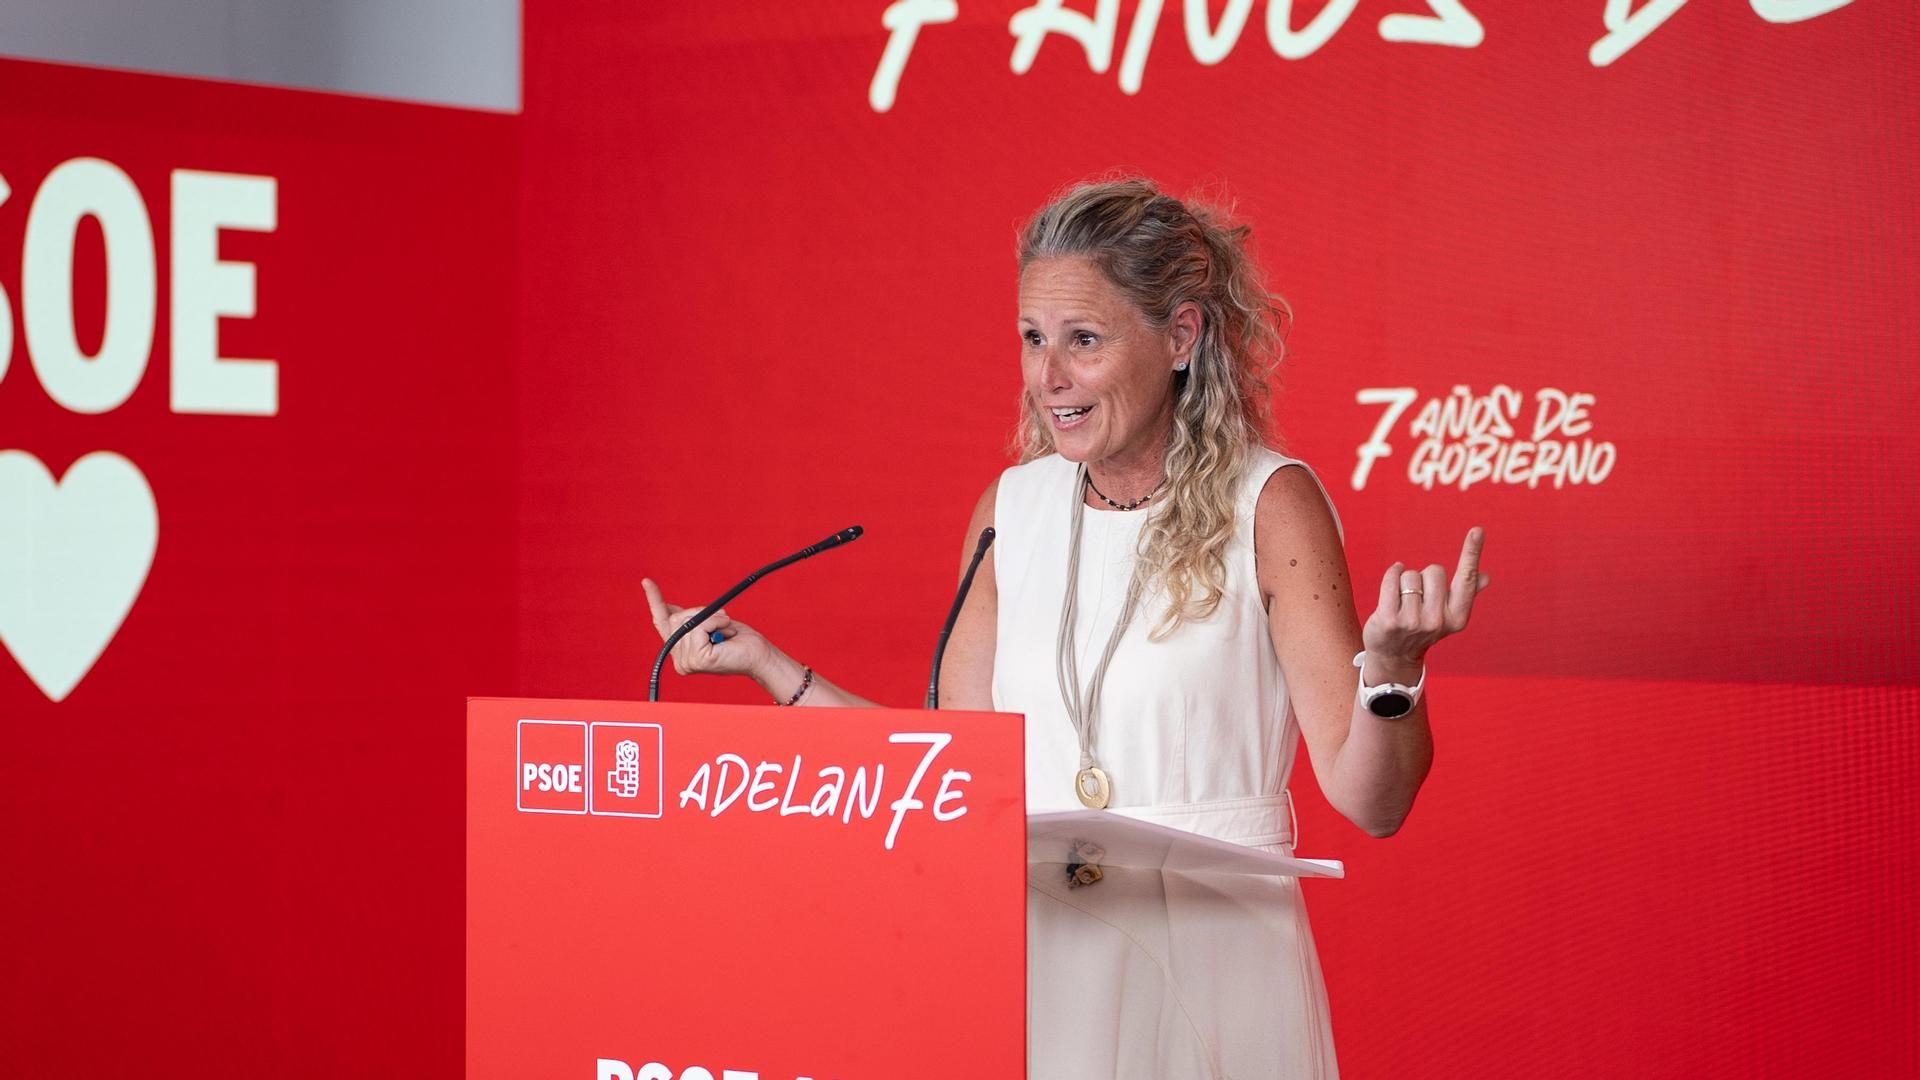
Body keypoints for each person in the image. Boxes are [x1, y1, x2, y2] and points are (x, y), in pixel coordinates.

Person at [643, 177, 1488, 1079]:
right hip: (1041, 963)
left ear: (1180, 336)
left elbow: (1374, 803)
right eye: (1033, 340)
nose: (1050, 379)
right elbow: (949, 777)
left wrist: (1390, 676)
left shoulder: (1270, 505)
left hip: (1214, 965)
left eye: (1083, 341)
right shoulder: (1012, 510)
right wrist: (770, 665)